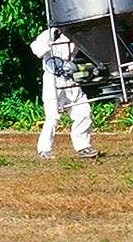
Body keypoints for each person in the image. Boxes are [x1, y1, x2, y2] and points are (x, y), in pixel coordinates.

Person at [30, 26, 98, 160]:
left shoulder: (73, 35)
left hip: (69, 76)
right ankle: (44, 149)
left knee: (83, 111)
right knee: (53, 116)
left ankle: (83, 146)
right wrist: (51, 41)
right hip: (52, 78)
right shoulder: (47, 34)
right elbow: (37, 50)